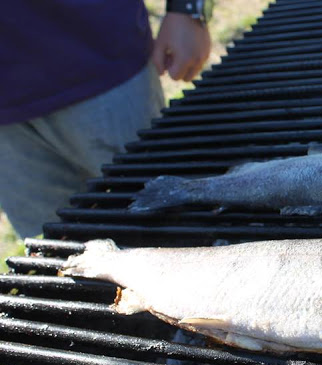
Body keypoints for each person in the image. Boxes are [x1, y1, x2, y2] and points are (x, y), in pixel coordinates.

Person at [0, 0, 212, 238]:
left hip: (100, 60)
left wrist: (187, 8)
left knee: (176, 224)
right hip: (6, 125)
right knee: (59, 250)